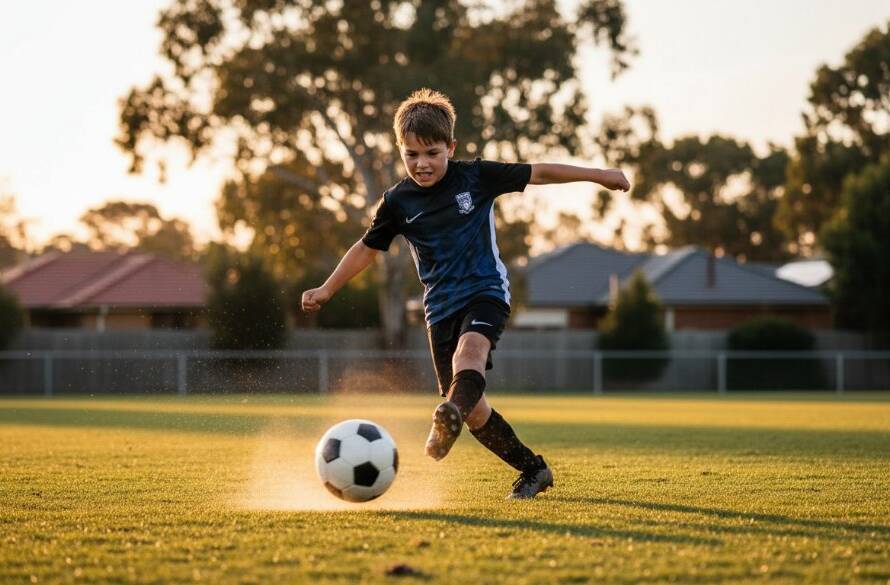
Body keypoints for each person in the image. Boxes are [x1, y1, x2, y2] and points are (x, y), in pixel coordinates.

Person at [302, 88, 630, 499]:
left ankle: (447, 417)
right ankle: (532, 469)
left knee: (468, 358)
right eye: (411, 154)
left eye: (432, 153)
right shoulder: (397, 201)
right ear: (401, 151)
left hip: (485, 291)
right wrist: (328, 288)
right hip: (439, 310)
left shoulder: (476, 177)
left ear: (451, 147)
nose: (422, 164)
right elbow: (368, 248)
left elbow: (539, 172)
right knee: (475, 411)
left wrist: (599, 175)